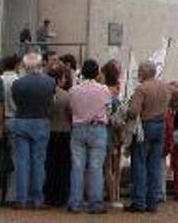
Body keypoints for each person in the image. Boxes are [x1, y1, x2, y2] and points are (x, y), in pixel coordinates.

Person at [8, 52, 56, 209]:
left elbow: (16, 102)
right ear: (40, 65)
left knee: (22, 162)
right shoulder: (49, 82)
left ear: (25, 66)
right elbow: (51, 102)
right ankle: (37, 199)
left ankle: (21, 198)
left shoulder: (17, 84)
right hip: (41, 120)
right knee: (39, 162)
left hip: (21, 120)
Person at [126, 61, 169, 213]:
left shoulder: (141, 88)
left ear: (143, 73)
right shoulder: (164, 87)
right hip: (161, 125)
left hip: (145, 125)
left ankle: (139, 201)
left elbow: (133, 111)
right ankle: (153, 201)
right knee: (155, 164)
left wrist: (126, 111)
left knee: (139, 163)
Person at [68, 59, 109, 214]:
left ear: (82, 73)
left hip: (78, 127)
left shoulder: (74, 90)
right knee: (96, 166)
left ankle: (75, 202)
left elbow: (70, 108)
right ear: (97, 73)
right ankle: (95, 202)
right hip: (97, 128)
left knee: (77, 166)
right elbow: (108, 107)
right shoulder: (103, 89)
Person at [44, 63, 72, 207]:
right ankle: (62, 196)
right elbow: (71, 114)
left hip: (49, 132)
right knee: (64, 166)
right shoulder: (66, 96)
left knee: (50, 165)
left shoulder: (45, 94)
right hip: (64, 132)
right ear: (60, 79)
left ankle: (49, 195)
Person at [99, 60, 125, 208]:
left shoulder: (101, 93)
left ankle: (110, 195)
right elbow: (119, 120)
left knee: (107, 167)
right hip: (113, 135)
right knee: (113, 168)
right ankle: (114, 197)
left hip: (104, 134)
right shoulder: (114, 98)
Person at [0, 54, 20, 206]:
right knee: (14, 158)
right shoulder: (18, 81)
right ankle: (11, 195)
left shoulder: (1, 80)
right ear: (16, 65)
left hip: (0, 121)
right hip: (13, 119)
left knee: (0, 158)